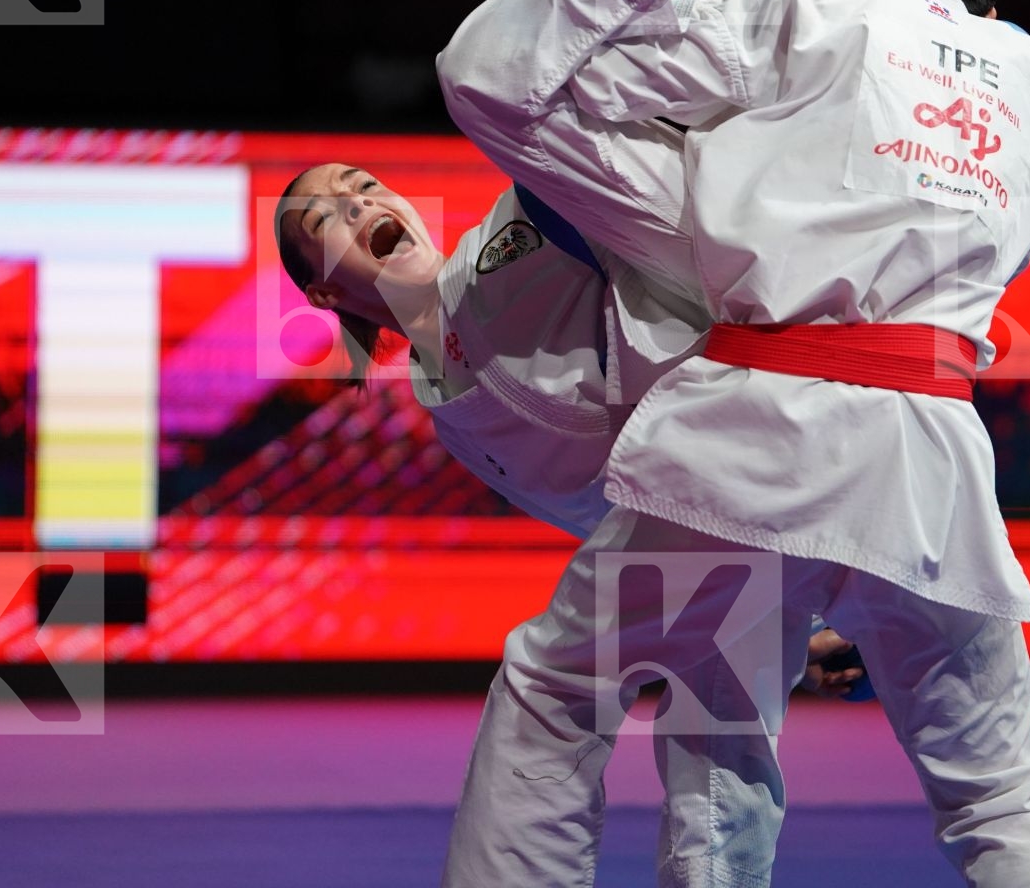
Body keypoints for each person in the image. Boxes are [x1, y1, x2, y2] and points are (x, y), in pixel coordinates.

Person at [436, 0, 1030, 885]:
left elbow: (524, 70)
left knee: (564, 690)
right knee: (1000, 787)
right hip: (930, 457)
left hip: (758, 438)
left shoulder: (815, 15)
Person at [272, 161, 867, 882]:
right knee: (719, 775)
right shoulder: (445, 410)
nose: (356, 200)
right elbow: (600, 506)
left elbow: (574, 180)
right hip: (705, 523)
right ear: (325, 290)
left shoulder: (505, 246)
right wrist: (808, 628)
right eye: (326, 216)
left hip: (765, 441)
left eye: (364, 186)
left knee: (556, 696)